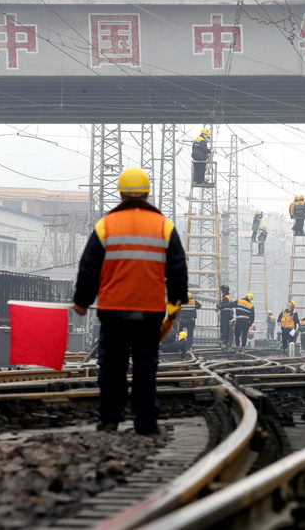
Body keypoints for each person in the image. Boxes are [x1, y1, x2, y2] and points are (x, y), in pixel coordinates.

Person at [72, 167, 188, 435]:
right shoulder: (164, 227)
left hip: (113, 311)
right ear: (147, 194)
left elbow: (89, 267)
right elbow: (177, 268)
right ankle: (145, 423)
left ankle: (110, 420)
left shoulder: (105, 226)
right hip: (149, 312)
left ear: (121, 194)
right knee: (145, 369)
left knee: (112, 367)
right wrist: (177, 300)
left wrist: (81, 300)